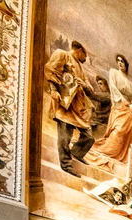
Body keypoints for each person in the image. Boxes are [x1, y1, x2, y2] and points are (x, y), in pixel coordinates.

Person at [43, 40, 94, 177]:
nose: (85, 59)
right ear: (80, 50)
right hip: (65, 104)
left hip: (78, 108)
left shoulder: (80, 69)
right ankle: (66, 164)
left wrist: (85, 84)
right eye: (85, 55)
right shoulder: (62, 54)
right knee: (65, 136)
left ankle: (76, 153)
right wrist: (54, 90)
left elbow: (90, 90)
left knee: (89, 137)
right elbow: (51, 70)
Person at [85, 54, 132, 171]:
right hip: (119, 108)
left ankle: (123, 155)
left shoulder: (130, 84)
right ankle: (108, 150)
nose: (119, 63)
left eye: (122, 61)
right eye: (118, 61)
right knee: (118, 132)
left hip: (128, 112)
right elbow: (113, 88)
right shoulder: (113, 72)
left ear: (126, 64)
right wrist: (122, 100)